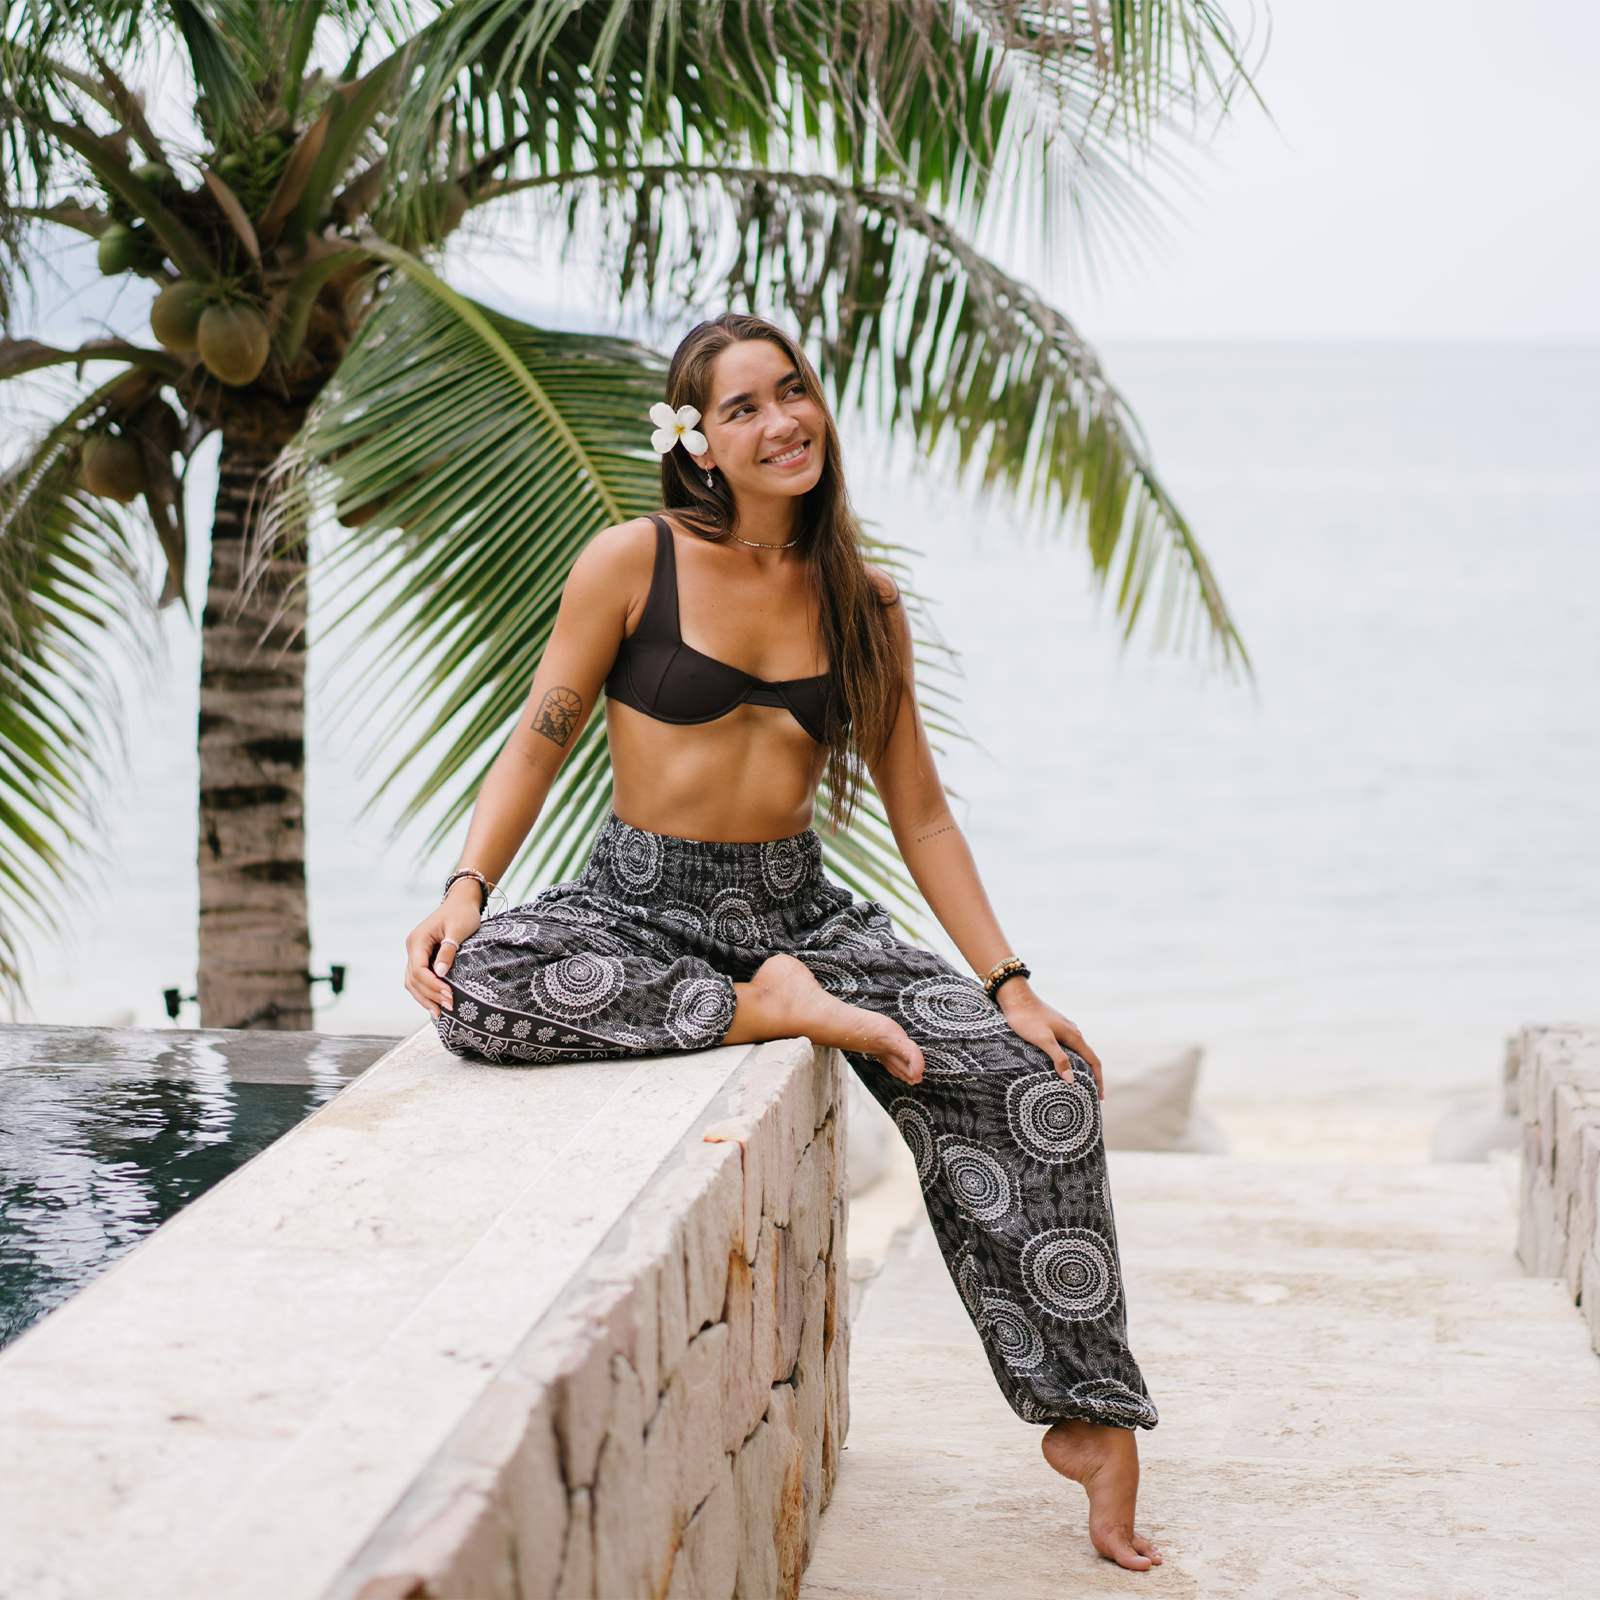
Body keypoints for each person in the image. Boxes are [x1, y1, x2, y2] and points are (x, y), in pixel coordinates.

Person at [403, 312, 1161, 1571]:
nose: (778, 421)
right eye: (742, 406)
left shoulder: (861, 600)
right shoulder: (629, 562)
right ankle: (768, 1011)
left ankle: (1085, 1416)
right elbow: (542, 732)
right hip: (641, 900)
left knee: (1042, 1087)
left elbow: (918, 809)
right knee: (475, 986)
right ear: (698, 443)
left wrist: (1010, 983)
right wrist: (470, 882)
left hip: (804, 913)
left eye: (791, 392)